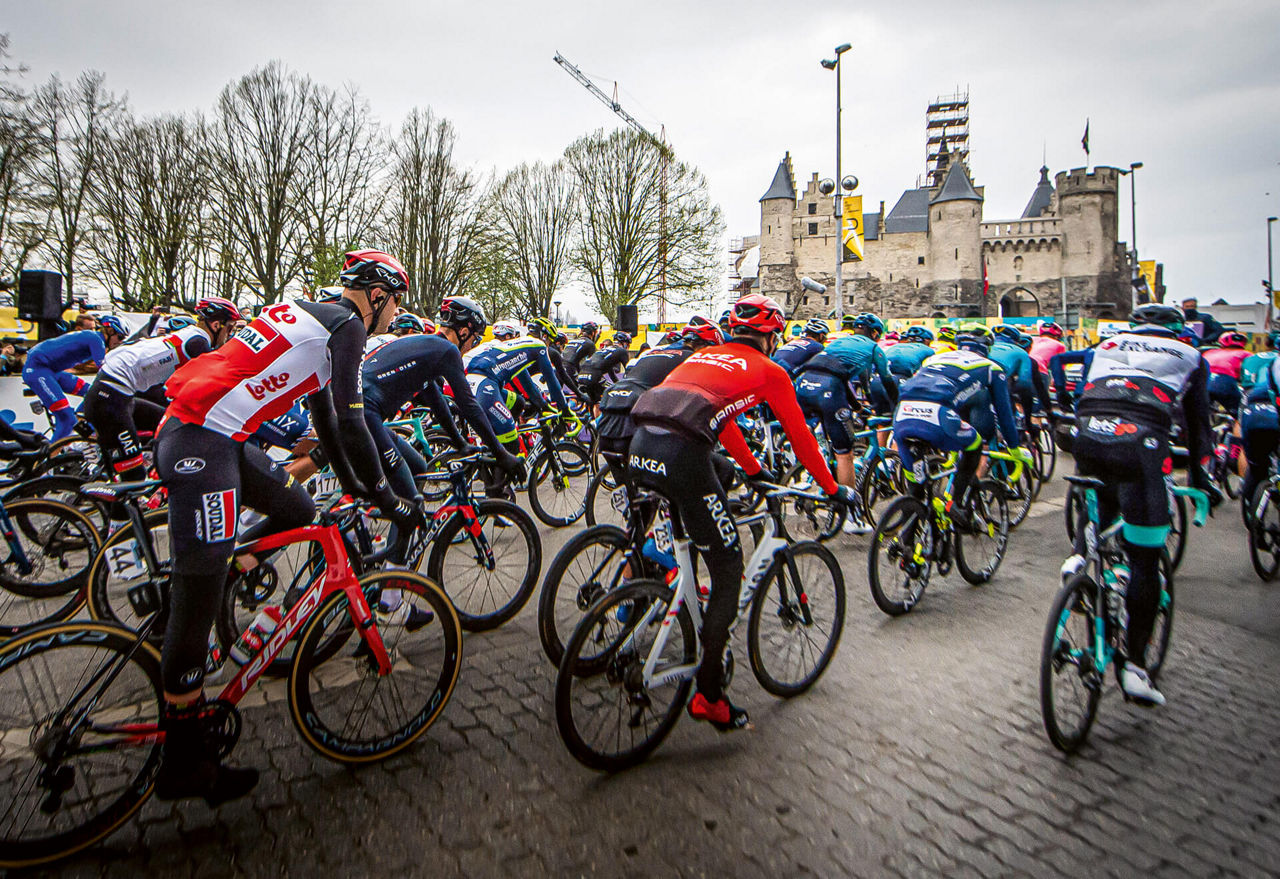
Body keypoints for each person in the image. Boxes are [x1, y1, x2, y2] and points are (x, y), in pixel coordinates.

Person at [153, 249, 422, 805]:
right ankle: (182, 758)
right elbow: (352, 423)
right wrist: (386, 497)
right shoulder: (347, 325)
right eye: (396, 303)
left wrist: (358, 487)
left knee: (299, 511)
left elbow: (328, 423)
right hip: (200, 440)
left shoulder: (320, 320)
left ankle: (224, 563)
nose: (395, 317)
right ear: (377, 296)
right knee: (195, 599)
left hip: (220, 437)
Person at [629, 294, 853, 732]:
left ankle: (671, 591)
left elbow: (722, 419)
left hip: (641, 446)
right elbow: (802, 439)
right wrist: (832, 488)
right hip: (681, 455)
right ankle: (710, 697)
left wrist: (753, 469)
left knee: (696, 532)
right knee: (730, 566)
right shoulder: (770, 371)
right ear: (771, 337)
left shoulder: (709, 354)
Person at [1064, 303, 1218, 707]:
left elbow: (1082, 392)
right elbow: (1200, 429)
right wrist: (1205, 482)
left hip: (1087, 433)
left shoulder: (1104, 345)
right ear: (1178, 330)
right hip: (1141, 446)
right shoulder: (1191, 356)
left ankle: (1080, 556)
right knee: (1146, 560)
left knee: (1097, 494)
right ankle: (1134, 668)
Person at [83, 297, 242, 482]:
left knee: (164, 421)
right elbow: (214, 384)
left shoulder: (193, 334)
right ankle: (126, 502)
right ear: (216, 325)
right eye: (230, 328)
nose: (229, 334)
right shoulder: (198, 344)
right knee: (134, 476)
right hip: (110, 399)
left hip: (119, 391)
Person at [892, 324, 1031, 527]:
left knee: (917, 492)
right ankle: (955, 504)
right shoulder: (992, 368)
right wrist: (1014, 448)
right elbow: (1004, 413)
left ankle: (905, 543)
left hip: (902, 414)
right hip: (937, 415)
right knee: (974, 445)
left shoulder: (933, 358)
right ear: (987, 347)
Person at [23, 316, 125, 440]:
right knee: (67, 420)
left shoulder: (96, 340)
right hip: (38, 370)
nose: (120, 342)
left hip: (52, 371)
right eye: (120, 337)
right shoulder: (96, 339)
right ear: (109, 331)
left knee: (93, 393)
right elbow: (106, 370)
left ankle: (79, 425)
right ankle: (49, 457)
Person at [990, 325, 1056, 424]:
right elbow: (1026, 386)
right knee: (1009, 422)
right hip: (1002, 385)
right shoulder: (1023, 355)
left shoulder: (987, 348)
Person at [528, 316, 581, 397]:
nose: (549, 345)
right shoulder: (550, 352)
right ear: (544, 337)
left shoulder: (521, 347)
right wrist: (579, 394)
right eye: (550, 341)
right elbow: (563, 375)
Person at [576, 332, 631, 407]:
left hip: (582, 374)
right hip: (593, 375)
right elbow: (629, 371)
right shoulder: (622, 351)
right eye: (628, 345)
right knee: (612, 394)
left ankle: (591, 416)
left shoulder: (606, 350)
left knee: (595, 401)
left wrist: (617, 383)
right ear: (625, 344)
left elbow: (611, 372)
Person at [1201, 331, 1250, 416]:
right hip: (1225, 382)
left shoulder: (1209, 352)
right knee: (1241, 414)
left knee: (1200, 414)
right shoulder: (1246, 354)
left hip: (1203, 382)